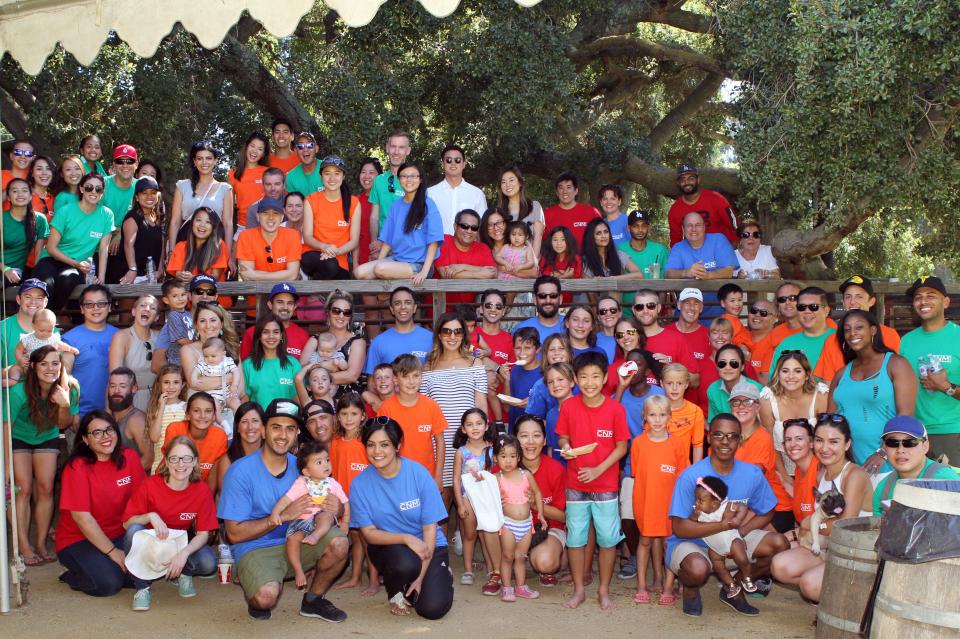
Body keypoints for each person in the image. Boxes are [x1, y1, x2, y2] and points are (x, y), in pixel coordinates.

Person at [218, 398, 349, 621]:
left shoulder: (303, 467)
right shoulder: (240, 472)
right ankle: (260, 584)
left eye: (290, 428)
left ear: (297, 433)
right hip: (255, 548)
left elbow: (327, 502)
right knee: (266, 598)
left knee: (339, 543)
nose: (282, 435)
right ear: (263, 430)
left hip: (298, 541)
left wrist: (336, 508)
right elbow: (233, 533)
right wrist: (279, 517)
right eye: (276, 427)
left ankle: (313, 600)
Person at [667, 413, 789, 617]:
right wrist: (724, 526)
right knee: (696, 568)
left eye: (732, 436)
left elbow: (768, 510)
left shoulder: (751, 473)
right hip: (694, 543)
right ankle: (690, 589)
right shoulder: (690, 476)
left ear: (740, 440)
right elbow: (679, 527)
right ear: (709, 437)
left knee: (779, 544)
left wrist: (740, 532)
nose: (725, 442)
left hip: (730, 539)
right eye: (718, 435)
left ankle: (733, 589)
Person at [349, 416, 454, 619]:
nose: (377, 452)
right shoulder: (359, 484)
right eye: (371, 445)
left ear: (398, 446)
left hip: (429, 546)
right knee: (404, 563)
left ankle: (440, 574)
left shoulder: (418, 474)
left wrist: (422, 578)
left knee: (432, 609)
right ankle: (395, 591)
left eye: (384, 444)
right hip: (390, 549)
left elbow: (430, 530)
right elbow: (369, 534)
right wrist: (406, 538)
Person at [770, 414, 873, 603]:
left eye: (834, 442)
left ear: (847, 444)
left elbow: (844, 524)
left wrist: (810, 525)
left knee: (810, 584)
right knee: (779, 566)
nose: (824, 448)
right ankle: (834, 587)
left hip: (856, 552)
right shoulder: (821, 473)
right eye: (819, 440)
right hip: (830, 546)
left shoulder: (854, 475)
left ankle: (857, 597)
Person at [556, 351, 630, 611]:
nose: (590, 382)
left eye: (595, 376)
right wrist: (566, 447)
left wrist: (598, 470)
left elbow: (621, 447)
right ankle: (579, 590)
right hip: (575, 484)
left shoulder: (615, 408)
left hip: (606, 486)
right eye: (584, 377)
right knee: (576, 539)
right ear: (575, 379)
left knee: (608, 540)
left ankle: (603, 590)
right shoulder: (569, 406)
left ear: (605, 378)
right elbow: (562, 437)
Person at [121, 436, 218, 611]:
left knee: (208, 562)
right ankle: (142, 587)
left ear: (195, 461)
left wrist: (184, 554)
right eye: (174, 458)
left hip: (178, 544)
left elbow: (204, 533)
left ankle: (183, 573)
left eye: (186, 458)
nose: (180, 464)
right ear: (166, 460)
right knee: (134, 530)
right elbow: (127, 525)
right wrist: (150, 516)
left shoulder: (201, 490)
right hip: (150, 545)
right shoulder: (150, 485)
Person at [56, 410, 146, 597]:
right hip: (78, 539)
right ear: (85, 440)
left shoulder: (129, 457)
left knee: (143, 574)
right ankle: (72, 575)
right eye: (96, 433)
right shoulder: (77, 467)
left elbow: (142, 501)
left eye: (109, 430)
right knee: (109, 583)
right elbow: (82, 518)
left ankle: (106, 566)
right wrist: (113, 552)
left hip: (119, 533)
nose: (105, 437)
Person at [5, 346, 78, 565]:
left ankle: (40, 543)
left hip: (47, 435)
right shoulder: (19, 391)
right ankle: (24, 546)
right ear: (34, 367)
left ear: (61, 366)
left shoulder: (70, 389)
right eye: (44, 363)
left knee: (46, 487)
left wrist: (64, 404)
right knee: (23, 488)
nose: (50, 368)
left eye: (55, 363)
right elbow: (7, 427)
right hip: (18, 436)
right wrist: (7, 466)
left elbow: (62, 424)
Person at [827, 310, 917, 469]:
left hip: (885, 462)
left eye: (859, 327)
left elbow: (905, 417)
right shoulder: (841, 373)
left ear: (873, 330)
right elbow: (830, 421)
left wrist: (882, 452)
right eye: (847, 329)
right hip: (846, 465)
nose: (852, 333)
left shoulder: (895, 364)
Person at [419, 312, 488, 503]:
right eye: (447, 331)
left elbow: (481, 404)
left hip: (468, 442)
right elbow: (424, 408)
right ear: (439, 335)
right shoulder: (429, 367)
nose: (452, 336)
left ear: (464, 335)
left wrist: (484, 441)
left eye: (457, 332)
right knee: (441, 501)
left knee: (471, 503)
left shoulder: (475, 362)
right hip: (437, 444)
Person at [630, 394, 686, 605]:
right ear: (644, 416)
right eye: (652, 415)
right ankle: (642, 586)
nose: (657, 419)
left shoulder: (677, 444)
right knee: (644, 541)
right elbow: (638, 475)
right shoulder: (638, 444)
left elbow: (682, 478)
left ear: (670, 417)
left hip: (670, 505)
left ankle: (668, 586)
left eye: (662, 414)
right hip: (645, 503)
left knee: (667, 544)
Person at [269, 441, 349, 589]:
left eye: (327, 460)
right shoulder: (302, 483)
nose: (325, 465)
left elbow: (345, 503)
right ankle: (299, 571)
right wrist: (275, 512)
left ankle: (316, 535)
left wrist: (345, 522)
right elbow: (286, 499)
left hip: (321, 518)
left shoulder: (332, 483)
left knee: (325, 516)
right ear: (306, 471)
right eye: (319, 462)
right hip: (302, 520)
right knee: (292, 539)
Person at [898, 275, 960, 463]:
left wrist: (946, 386)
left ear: (946, 302)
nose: (923, 301)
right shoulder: (905, 341)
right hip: (914, 434)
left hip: (951, 432)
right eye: (918, 297)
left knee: (951, 491)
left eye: (931, 295)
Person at [32, 173, 114, 310]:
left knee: (67, 280)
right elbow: (51, 248)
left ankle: (48, 318)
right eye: (89, 187)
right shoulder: (65, 211)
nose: (93, 192)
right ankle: (40, 322)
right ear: (81, 189)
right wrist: (75, 263)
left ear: (102, 193)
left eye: (98, 189)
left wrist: (101, 277)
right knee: (46, 284)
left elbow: (103, 249)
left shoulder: (107, 215)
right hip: (52, 259)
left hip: (76, 266)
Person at [354, 162, 443, 286]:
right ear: (399, 180)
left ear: (420, 179)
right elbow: (387, 240)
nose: (408, 180)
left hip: (419, 264)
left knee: (381, 269)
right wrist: (378, 262)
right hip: (396, 260)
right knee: (359, 272)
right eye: (404, 176)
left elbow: (434, 241)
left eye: (413, 176)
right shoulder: (396, 205)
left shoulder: (428, 204)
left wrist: (424, 272)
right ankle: (389, 288)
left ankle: (391, 288)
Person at [729, 382, 795, 533]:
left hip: (775, 508)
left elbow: (752, 479)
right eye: (736, 402)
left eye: (748, 401)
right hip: (745, 504)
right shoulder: (728, 436)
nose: (741, 406)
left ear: (757, 407)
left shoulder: (762, 437)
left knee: (729, 531)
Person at [377, 354, 448, 486]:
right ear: (395, 379)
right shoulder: (386, 409)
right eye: (405, 376)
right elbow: (381, 444)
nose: (411, 381)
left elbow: (440, 442)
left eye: (415, 376)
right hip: (396, 477)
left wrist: (438, 476)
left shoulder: (431, 405)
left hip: (427, 475)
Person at [515, 415, 567, 588]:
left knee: (545, 563)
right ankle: (524, 557)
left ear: (544, 441)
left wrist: (534, 505)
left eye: (536, 435)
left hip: (548, 528)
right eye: (523, 436)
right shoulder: (504, 467)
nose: (530, 442)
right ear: (515, 440)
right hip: (513, 530)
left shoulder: (556, 469)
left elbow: (563, 517)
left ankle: (559, 555)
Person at [759, 350, 829, 477]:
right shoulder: (767, 399)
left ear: (807, 375)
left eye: (797, 371)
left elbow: (825, 440)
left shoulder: (820, 395)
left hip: (818, 469)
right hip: (782, 470)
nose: (791, 376)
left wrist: (818, 475)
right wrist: (785, 478)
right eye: (785, 371)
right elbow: (769, 444)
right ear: (778, 374)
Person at [494, 433, 546, 602]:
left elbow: (538, 493)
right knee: (508, 557)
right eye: (503, 456)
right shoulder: (496, 479)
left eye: (512, 456)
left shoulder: (526, 475)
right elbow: (485, 498)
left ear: (518, 457)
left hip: (526, 524)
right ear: (496, 458)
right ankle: (507, 587)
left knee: (521, 557)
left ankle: (521, 587)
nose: (508, 460)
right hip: (508, 524)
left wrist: (541, 515)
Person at [872, 416, 960, 515]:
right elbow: (879, 527)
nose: (900, 450)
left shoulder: (944, 480)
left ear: (925, 446)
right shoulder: (884, 488)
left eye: (910, 442)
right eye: (892, 443)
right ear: (885, 448)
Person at [452, 408, 496, 585]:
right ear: (463, 429)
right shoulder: (461, 452)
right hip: (467, 498)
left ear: (486, 425)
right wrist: (460, 504)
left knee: (487, 532)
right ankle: (468, 570)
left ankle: (492, 568)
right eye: (469, 424)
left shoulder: (493, 449)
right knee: (470, 534)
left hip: (487, 498)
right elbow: (455, 479)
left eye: (479, 423)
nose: (475, 427)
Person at [169, 141, 234, 256]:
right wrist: (171, 251)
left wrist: (228, 255)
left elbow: (228, 224)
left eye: (208, 158)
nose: (204, 162)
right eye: (200, 158)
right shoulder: (182, 186)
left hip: (213, 249)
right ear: (194, 161)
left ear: (215, 160)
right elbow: (175, 222)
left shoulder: (225, 189)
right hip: (184, 246)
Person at [61, 284, 119, 414]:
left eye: (101, 304)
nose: (95, 308)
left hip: (116, 413)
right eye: (89, 304)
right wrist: (72, 411)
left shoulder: (121, 336)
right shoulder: (70, 339)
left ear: (109, 307)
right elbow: (65, 378)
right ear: (82, 309)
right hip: (81, 414)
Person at [302, 155, 361, 279]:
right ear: (321, 176)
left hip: (339, 259)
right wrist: (325, 247)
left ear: (343, 176)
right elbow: (307, 237)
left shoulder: (353, 203)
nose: (332, 178)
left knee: (334, 269)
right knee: (330, 266)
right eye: (327, 173)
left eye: (337, 173)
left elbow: (354, 241)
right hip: (313, 254)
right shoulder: (311, 200)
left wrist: (334, 252)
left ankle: (315, 293)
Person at [298, 291, 366, 395]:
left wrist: (318, 377)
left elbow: (352, 375)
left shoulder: (357, 342)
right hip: (317, 401)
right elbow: (301, 370)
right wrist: (327, 367)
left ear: (350, 316)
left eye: (346, 312)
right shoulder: (315, 340)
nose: (341, 316)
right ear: (328, 312)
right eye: (336, 311)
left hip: (347, 403)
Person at [433, 208, 498, 307]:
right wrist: (481, 273)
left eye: (474, 228)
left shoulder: (483, 248)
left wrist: (463, 267)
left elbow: (493, 273)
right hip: (439, 311)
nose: (469, 231)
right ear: (455, 226)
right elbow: (445, 273)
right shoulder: (443, 241)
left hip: (469, 316)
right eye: (464, 226)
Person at [163, 392, 229, 488]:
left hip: (202, 490)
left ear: (214, 415)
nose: (202, 416)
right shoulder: (175, 429)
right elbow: (171, 468)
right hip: (172, 485)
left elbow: (214, 475)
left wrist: (205, 499)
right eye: (196, 411)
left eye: (208, 411)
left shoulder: (220, 436)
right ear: (188, 414)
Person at [179, 301, 243, 399]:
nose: (208, 326)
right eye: (202, 321)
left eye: (213, 320)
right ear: (196, 325)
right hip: (199, 408)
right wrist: (229, 378)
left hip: (228, 406)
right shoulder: (188, 350)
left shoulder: (232, 347)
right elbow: (196, 384)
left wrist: (227, 402)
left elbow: (241, 388)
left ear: (221, 323)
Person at [363, 287, 433, 373]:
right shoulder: (378, 342)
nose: (403, 307)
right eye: (397, 303)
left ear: (414, 308)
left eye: (408, 303)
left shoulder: (431, 339)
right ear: (392, 309)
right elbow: (372, 382)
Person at [108, 294, 159, 411]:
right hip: (131, 400)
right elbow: (114, 377)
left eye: (152, 308)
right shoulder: (121, 336)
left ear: (156, 317)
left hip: (158, 398)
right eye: (142, 305)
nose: (147, 309)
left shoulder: (160, 337)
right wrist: (110, 410)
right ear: (134, 312)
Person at [771, 286, 837, 377]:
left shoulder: (840, 339)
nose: (807, 311)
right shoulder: (786, 344)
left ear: (826, 311)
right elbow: (774, 382)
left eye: (813, 307)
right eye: (801, 307)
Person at [235, 197, 302, 285]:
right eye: (265, 213)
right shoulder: (246, 236)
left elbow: (292, 275)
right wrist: (283, 275)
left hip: (284, 293)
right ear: (258, 216)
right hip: (256, 293)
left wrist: (255, 275)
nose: (271, 217)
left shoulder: (292, 235)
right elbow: (247, 276)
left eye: (275, 213)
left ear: (282, 217)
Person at [667, 164, 738, 246]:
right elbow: (676, 239)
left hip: (721, 248)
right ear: (678, 183)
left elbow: (733, 224)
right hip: (696, 253)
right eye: (683, 180)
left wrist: (734, 247)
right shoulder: (675, 210)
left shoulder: (716, 198)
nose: (687, 182)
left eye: (691, 178)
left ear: (698, 180)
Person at [242, 313, 302, 406]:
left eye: (276, 332)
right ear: (259, 336)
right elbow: (244, 399)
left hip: (287, 419)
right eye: (265, 332)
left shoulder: (293, 363)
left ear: (281, 335)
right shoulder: (248, 365)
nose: (271, 336)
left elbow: (298, 399)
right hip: (259, 419)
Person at [427, 144, 487, 235]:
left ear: (464, 164)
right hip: (437, 247)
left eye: (458, 160)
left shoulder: (477, 194)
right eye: (448, 160)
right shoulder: (430, 193)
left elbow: (482, 227)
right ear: (442, 164)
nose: (453, 163)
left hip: (468, 248)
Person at [114, 176, 164, 285]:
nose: (149, 196)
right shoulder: (132, 217)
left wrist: (160, 269)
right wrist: (132, 269)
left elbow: (161, 245)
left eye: (153, 193)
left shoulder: (157, 218)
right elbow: (128, 244)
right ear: (137, 197)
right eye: (144, 193)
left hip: (152, 275)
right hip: (132, 276)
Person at [241, 282, 311, 360]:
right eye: (280, 302)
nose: (285, 307)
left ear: (295, 307)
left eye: (290, 303)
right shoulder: (252, 332)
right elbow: (244, 368)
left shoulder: (303, 335)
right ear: (270, 305)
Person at [368, 130, 412, 252]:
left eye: (401, 147)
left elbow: (416, 221)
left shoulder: (415, 181)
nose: (396, 152)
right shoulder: (379, 181)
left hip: (406, 248)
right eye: (393, 146)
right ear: (387, 148)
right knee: (361, 271)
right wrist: (374, 243)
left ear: (408, 151)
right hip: (381, 246)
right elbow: (374, 216)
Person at [618, 210, 669, 312]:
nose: (640, 230)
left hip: (651, 311)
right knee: (630, 329)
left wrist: (659, 310)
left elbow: (664, 283)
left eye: (644, 226)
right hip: (627, 314)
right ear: (628, 228)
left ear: (648, 227)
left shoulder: (660, 250)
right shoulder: (619, 250)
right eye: (635, 226)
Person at [580, 218, 644, 297]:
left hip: (614, 305)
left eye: (606, 232)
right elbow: (589, 292)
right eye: (598, 233)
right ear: (591, 237)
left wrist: (612, 279)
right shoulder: (585, 260)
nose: (603, 236)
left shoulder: (618, 255)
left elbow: (639, 275)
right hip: (591, 305)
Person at [664, 212, 737, 280]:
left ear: (704, 227)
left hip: (719, 293)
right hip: (686, 293)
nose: (694, 229)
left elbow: (729, 271)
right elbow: (668, 274)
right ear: (683, 229)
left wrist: (708, 275)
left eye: (698, 225)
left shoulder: (719, 240)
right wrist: (686, 272)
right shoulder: (678, 248)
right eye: (689, 225)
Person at [164, 207, 230, 283]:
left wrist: (194, 278)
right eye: (198, 220)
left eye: (208, 222)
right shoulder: (180, 246)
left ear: (213, 227)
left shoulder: (219, 246)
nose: (202, 225)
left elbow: (215, 276)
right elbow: (177, 273)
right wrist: (183, 276)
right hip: (188, 293)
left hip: (213, 293)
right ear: (192, 223)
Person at [105, 367, 152, 471]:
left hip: (132, 484)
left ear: (134, 388)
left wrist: (121, 478)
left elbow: (148, 459)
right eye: (113, 386)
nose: (116, 391)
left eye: (123, 386)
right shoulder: (108, 419)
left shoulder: (136, 420)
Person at [215, 401, 266, 492]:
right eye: (244, 422)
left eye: (255, 421)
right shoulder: (227, 460)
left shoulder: (271, 455)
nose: (250, 427)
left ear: (263, 426)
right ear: (237, 427)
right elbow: (227, 496)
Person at [1, 278, 49, 372]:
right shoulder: (3, 328)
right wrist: (12, 371)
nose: (33, 302)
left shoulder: (52, 330)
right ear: (18, 299)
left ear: (45, 302)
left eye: (39, 298)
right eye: (28, 297)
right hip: (13, 385)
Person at [147, 365, 188, 474]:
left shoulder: (187, 408)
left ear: (183, 385)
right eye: (166, 382)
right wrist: (161, 407)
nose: (171, 387)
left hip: (182, 464)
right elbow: (154, 438)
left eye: (176, 382)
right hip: (160, 465)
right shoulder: (156, 409)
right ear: (160, 385)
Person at [497, 165, 545, 255]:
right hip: (507, 265)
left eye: (511, 180)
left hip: (530, 264)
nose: (507, 185)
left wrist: (532, 264)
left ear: (520, 183)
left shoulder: (534, 206)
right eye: (503, 182)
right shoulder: (499, 213)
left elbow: (538, 237)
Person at [662, 363, 705, 464]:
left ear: (686, 384)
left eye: (679, 383)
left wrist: (695, 474)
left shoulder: (695, 411)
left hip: (681, 470)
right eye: (669, 383)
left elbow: (697, 446)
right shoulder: (654, 408)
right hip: (656, 468)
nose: (674, 388)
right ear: (661, 383)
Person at [707, 343, 763, 420]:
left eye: (734, 363)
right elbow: (715, 422)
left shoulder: (758, 389)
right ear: (716, 366)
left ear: (742, 367)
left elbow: (764, 423)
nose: (728, 367)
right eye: (722, 363)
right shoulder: (713, 389)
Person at [543, 172, 600, 247]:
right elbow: (543, 242)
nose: (565, 191)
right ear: (556, 192)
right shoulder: (547, 214)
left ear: (576, 191)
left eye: (568, 187)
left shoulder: (592, 212)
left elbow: (603, 238)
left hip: (587, 258)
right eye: (561, 188)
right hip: (557, 258)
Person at [229, 132, 270, 232]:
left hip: (266, 225)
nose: (255, 151)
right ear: (246, 146)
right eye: (253, 146)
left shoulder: (267, 172)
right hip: (243, 226)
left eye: (260, 149)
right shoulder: (233, 174)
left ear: (263, 153)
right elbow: (228, 210)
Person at [102, 145, 139, 257]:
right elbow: (93, 216)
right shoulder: (102, 184)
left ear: (136, 164)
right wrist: (114, 230)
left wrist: (122, 233)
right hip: (99, 243)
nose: (125, 165)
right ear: (114, 165)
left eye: (129, 161)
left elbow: (144, 219)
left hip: (130, 243)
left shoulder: (140, 187)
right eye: (120, 161)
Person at [513, 275, 565, 343]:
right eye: (542, 296)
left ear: (560, 299)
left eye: (553, 296)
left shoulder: (572, 326)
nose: (548, 301)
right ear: (534, 299)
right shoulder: (521, 328)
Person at [539, 226, 582, 304]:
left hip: (570, 302)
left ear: (568, 241)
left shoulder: (575, 258)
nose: (559, 243)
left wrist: (558, 274)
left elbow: (577, 276)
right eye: (555, 240)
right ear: (550, 241)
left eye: (563, 240)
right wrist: (565, 276)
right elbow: (546, 276)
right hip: (549, 301)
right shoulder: (546, 257)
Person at [353, 157, 382, 267]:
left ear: (379, 176)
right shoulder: (355, 201)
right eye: (363, 172)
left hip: (384, 256)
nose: (366, 176)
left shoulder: (385, 199)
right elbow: (354, 236)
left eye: (371, 173)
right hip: (362, 257)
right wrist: (355, 264)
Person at [742, 299, 779, 383]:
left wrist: (745, 364)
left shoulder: (775, 344)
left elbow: (765, 382)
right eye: (754, 311)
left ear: (775, 318)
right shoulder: (741, 335)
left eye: (763, 313)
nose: (757, 315)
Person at [285, 131, 323, 196]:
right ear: (296, 151)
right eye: (300, 146)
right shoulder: (290, 177)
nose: (305, 149)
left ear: (316, 148)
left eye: (310, 145)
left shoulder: (327, 167)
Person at [27, 155, 55, 220]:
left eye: (48, 169)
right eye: (39, 169)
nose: (44, 173)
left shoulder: (55, 200)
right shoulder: (24, 196)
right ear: (32, 173)